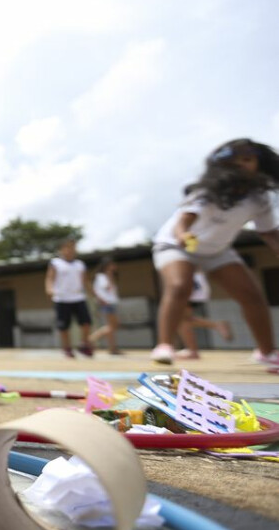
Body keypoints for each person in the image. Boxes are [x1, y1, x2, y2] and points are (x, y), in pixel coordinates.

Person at [150, 139, 279, 366]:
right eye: (235, 161)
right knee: (180, 286)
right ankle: (165, 346)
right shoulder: (207, 191)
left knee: (252, 295)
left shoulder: (259, 199)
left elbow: (268, 232)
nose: (241, 165)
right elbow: (184, 220)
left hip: (217, 250)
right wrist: (182, 235)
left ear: (261, 164)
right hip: (176, 244)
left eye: (248, 160)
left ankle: (267, 352)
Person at [45, 237, 93, 358]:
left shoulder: (80, 264)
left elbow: (85, 281)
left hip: (78, 297)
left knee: (86, 322)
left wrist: (93, 293)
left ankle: (84, 344)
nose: (71, 250)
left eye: (73, 247)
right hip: (62, 298)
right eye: (68, 247)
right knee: (64, 326)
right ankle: (67, 347)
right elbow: (50, 278)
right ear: (61, 249)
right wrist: (49, 288)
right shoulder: (55, 263)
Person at [88, 256, 122, 355]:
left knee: (112, 326)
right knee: (112, 326)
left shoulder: (107, 276)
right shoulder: (101, 277)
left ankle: (112, 348)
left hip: (111, 302)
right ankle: (91, 339)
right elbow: (101, 289)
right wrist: (102, 300)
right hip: (107, 303)